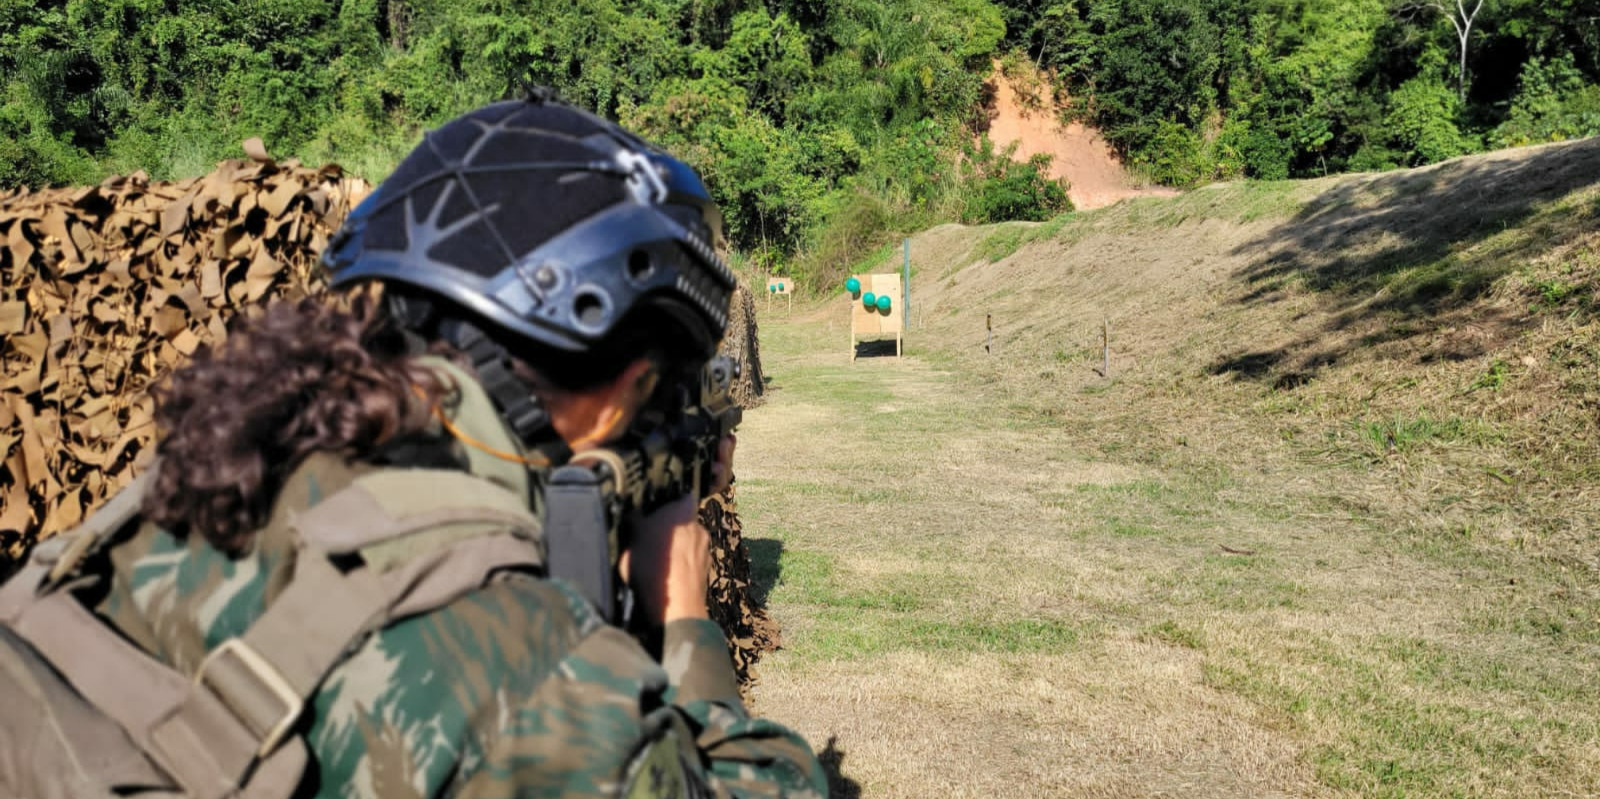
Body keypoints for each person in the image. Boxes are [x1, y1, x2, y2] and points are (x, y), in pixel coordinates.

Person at [0, 96, 826, 798]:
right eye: (658, 390)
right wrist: (684, 621)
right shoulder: (518, 667)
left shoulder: (235, 468)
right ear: (617, 388)